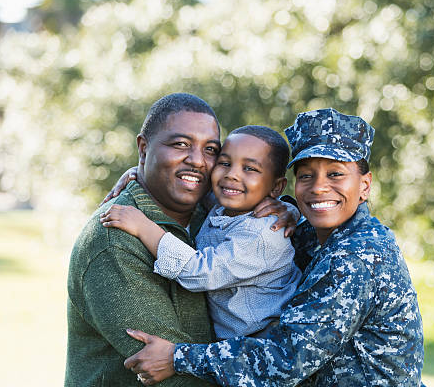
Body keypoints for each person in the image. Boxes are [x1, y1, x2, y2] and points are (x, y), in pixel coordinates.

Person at [121, 108, 425, 386]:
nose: (319, 187)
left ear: (365, 186)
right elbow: (229, 208)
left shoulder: (356, 255)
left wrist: (178, 357)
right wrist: (146, 173)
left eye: (335, 174)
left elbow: (286, 360)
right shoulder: (313, 231)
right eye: (306, 176)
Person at [65, 93, 298, 386]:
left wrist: (289, 208)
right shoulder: (115, 240)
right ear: (143, 148)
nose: (198, 161)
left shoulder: (210, 211)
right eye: (180, 144)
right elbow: (171, 376)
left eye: (211, 150)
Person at [99, 125, 302, 339]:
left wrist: (144, 227)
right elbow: (190, 183)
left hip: (262, 344)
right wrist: (141, 171)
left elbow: (200, 271)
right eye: (224, 163)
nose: (232, 175)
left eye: (250, 168)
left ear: (277, 188)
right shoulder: (226, 205)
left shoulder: (263, 234)